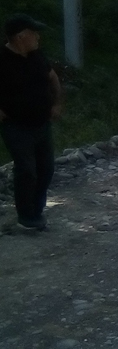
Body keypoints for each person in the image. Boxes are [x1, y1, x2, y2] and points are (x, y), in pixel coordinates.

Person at [0, 13, 62, 231]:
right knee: (26, 169)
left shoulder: (37, 56)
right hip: (16, 126)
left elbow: (52, 78)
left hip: (41, 123)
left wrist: (56, 104)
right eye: (33, 32)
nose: (38, 36)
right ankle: (26, 216)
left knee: (46, 168)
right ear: (20, 36)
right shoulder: (2, 59)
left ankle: (37, 211)